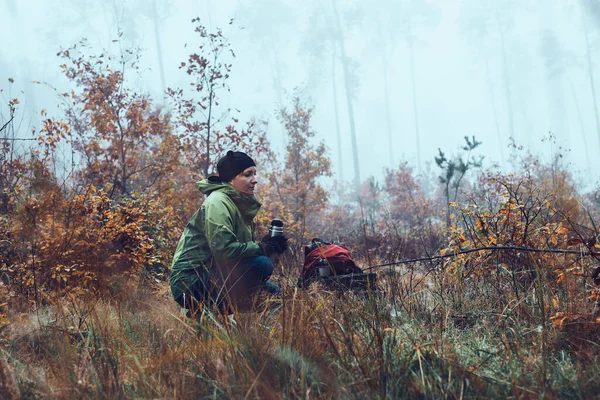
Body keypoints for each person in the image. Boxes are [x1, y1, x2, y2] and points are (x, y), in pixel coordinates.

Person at [170, 150, 288, 316]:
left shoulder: (238, 205)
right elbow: (224, 251)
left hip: (211, 274)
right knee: (263, 264)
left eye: (255, 174)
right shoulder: (218, 202)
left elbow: (240, 253)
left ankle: (211, 312)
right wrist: (261, 248)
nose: (255, 180)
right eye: (248, 174)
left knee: (274, 295)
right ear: (231, 178)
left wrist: (269, 245)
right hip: (188, 283)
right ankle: (205, 310)